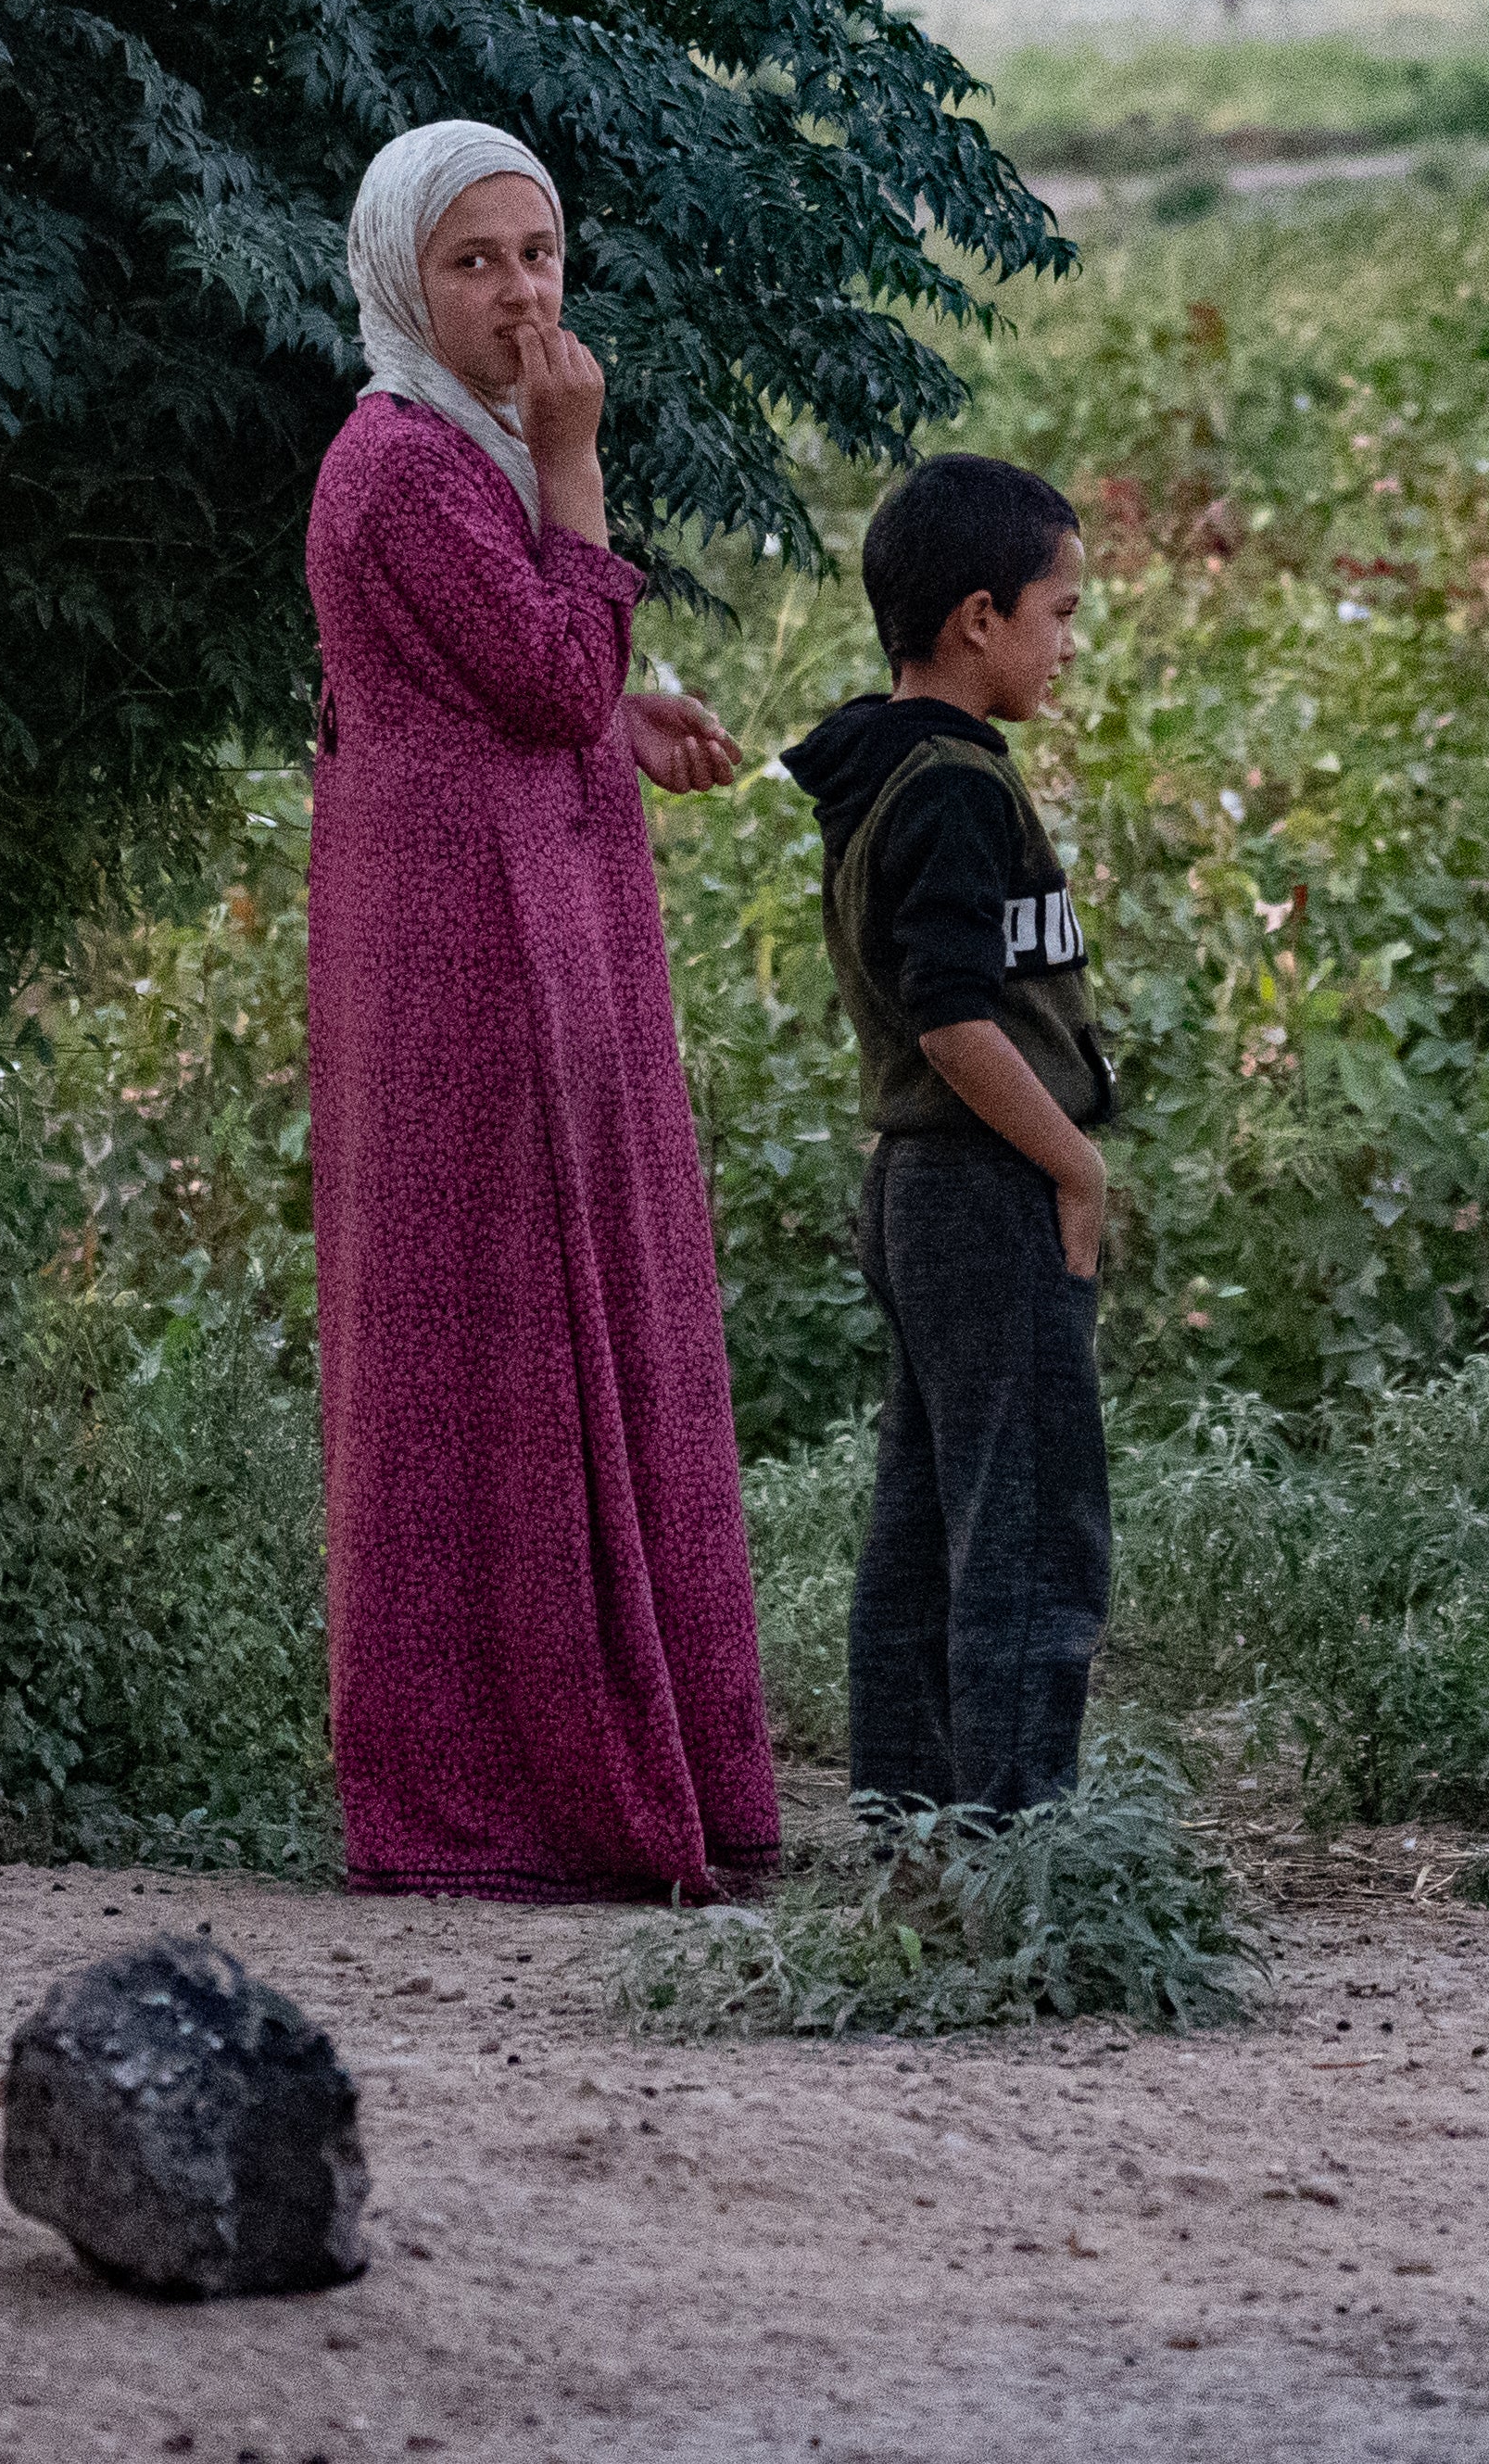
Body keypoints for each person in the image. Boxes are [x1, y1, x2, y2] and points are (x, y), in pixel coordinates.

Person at [307, 120, 773, 1902]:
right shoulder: (412, 460)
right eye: (475, 262)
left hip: (518, 900)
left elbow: (523, 684)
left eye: (539, 253)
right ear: (402, 287)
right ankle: (502, 1781)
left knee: (567, 1303)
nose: (520, 293)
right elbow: (555, 655)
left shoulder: (460, 453)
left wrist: (618, 726)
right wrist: (579, 472)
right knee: (498, 1323)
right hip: (464, 945)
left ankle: (614, 1752)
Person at [781, 458, 1117, 1820]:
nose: (1069, 642)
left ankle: (910, 1839)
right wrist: (1075, 1165)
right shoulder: (953, 786)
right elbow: (953, 1020)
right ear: (978, 618)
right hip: (982, 1184)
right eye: (1060, 610)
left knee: (927, 1524)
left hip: (918, 1190)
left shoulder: (886, 768)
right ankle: (1021, 1845)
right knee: (1032, 1528)